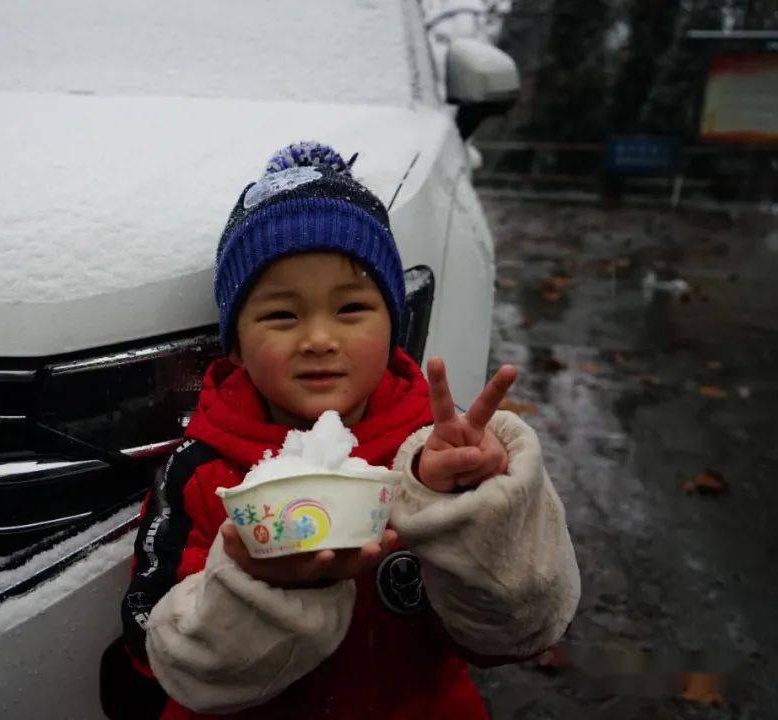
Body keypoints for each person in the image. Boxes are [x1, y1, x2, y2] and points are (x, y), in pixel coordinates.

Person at [119, 141, 580, 719]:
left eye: (352, 309)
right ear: (234, 345)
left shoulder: (438, 451)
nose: (318, 339)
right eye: (282, 315)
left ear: (394, 324)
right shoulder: (200, 470)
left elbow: (519, 630)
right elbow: (151, 649)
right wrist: (257, 588)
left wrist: (471, 506)